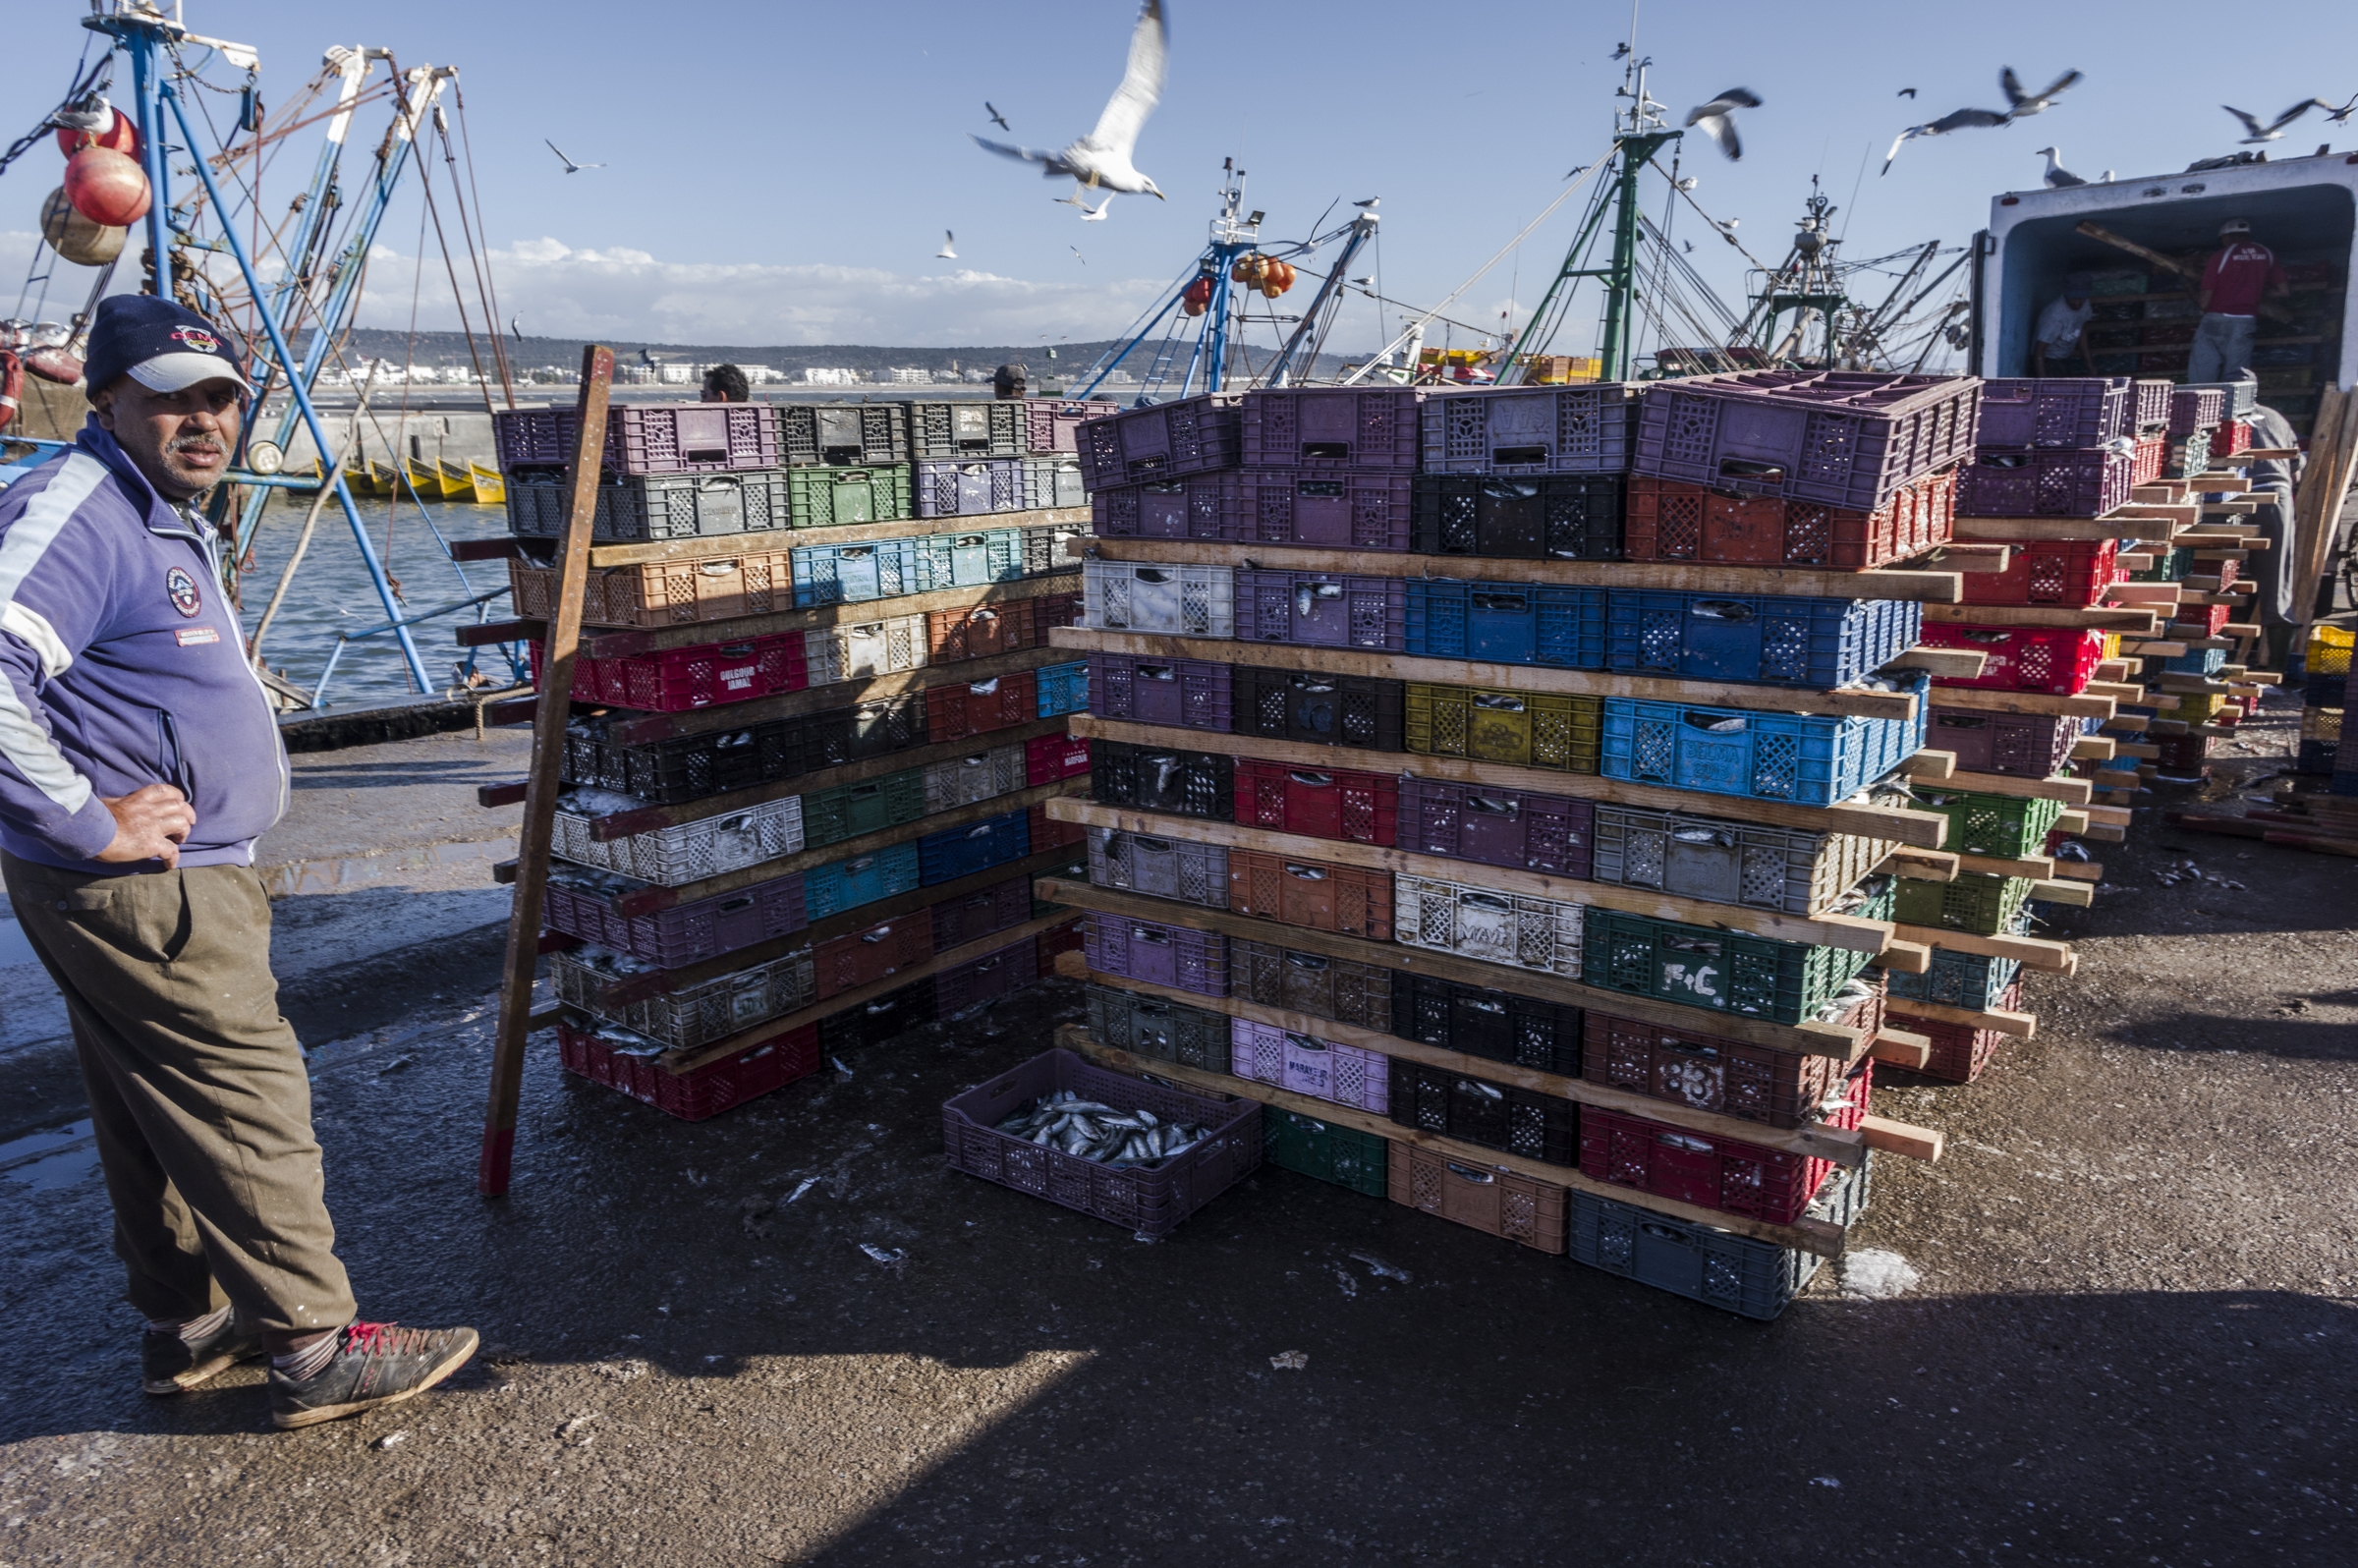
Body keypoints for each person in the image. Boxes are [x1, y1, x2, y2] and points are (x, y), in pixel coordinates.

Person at [0, 295, 477, 1429]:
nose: (204, 419)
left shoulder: (155, 507)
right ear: (106, 395)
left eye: (220, 397)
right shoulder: (80, 507)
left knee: (148, 1103)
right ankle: (314, 1346)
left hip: (145, 878)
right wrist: (86, 821)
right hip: (147, 884)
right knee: (247, 1093)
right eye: (173, 396)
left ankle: (191, 1322)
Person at [2188, 218, 2287, 384]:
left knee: (2202, 377)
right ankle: (2231, 410)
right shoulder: (2267, 254)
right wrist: (2253, 294)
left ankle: (2199, 408)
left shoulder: (2219, 257)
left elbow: (2204, 303)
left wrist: (2189, 287)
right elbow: (2283, 291)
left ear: (2226, 237)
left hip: (2216, 320)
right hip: (2245, 323)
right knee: (2236, 380)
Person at [2031, 272, 2096, 376]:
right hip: (2048, 361)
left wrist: (2089, 364)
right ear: (2065, 293)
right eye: (2073, 298)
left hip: (2064, 358)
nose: (2077, 303)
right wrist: (2042, 381)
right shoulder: (2054, 315)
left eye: (2081, 298)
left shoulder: (2085, 306)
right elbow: (2039, 349)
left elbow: (2081, 330)